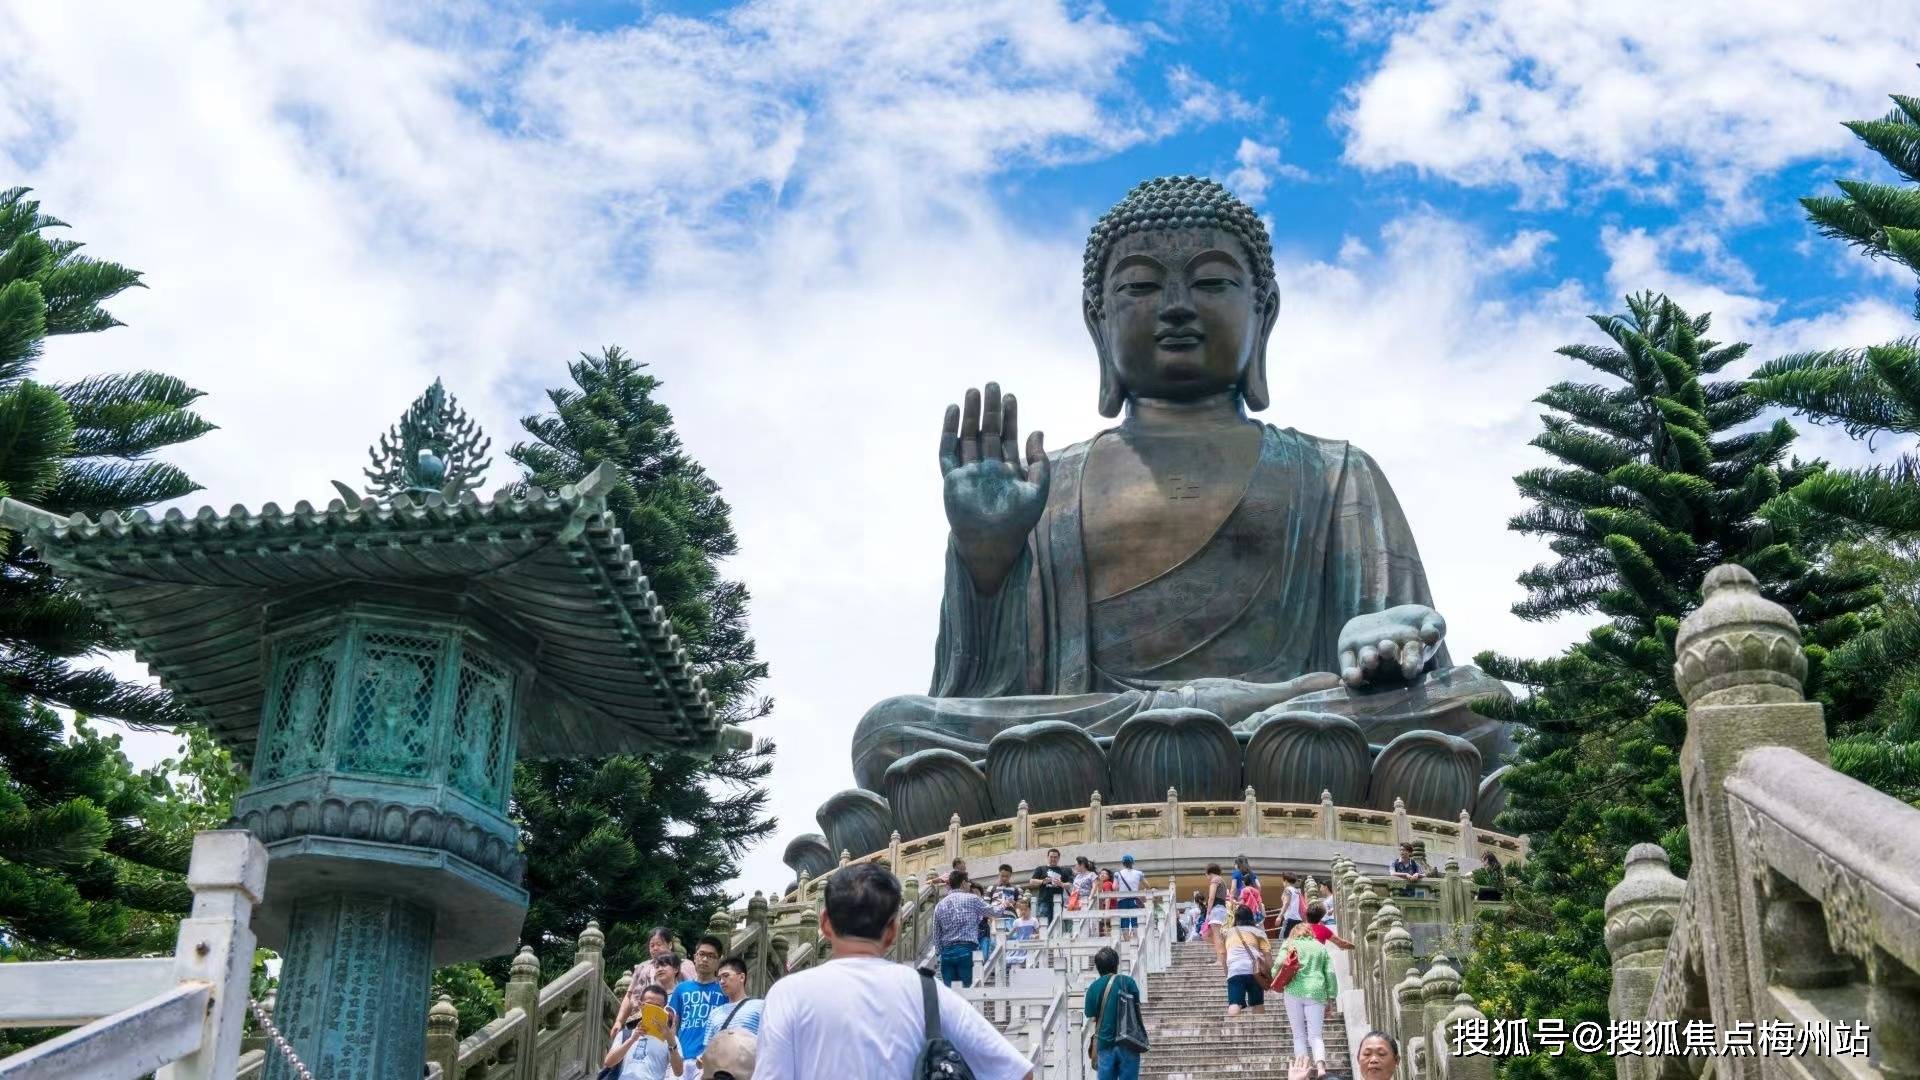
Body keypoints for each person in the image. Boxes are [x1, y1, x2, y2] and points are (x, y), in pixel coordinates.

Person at [755, 861, 1033, 1080]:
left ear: (824, 923)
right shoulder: (928, 994)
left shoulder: (787, 993)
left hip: (947, 952)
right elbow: (1018, 1071)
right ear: (893, 930)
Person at [1277, 921, 1336, 1075]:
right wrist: (1331, 997)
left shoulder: (1289, 943)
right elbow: (1330, 973)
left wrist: (1273, 977)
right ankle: (1321, 1068)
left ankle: (1303, 1070)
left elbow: (1278, 963)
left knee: (1298, 1035)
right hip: (1316, 991)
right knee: (1316, 1035)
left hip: (1293, 991)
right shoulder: (1320, 947)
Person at [666, 936, 729, 1079]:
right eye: (702, 954)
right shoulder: (681, 989)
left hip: (708, 1060)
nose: (705, 959)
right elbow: (673, 1025)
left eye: (711, 956)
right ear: (694, 957)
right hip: (680, 1059)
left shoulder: (724, 990)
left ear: (718, 961)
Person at [1083, 945, 1143, 1080]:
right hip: (1130, 1042)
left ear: (1098, 967)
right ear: (1116, 964)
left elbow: (1091, 1014)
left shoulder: (1093, 988)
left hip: (1105, 1043)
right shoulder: (1129, 982)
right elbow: (1137, 1010)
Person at [604, 984, 684, 1080]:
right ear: (640, 1005)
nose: (653, 1010)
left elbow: (678, 1072)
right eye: (649, 1005)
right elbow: (608, 1062)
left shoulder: (670, 1039)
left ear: (664, 1009)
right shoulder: (625, 1034)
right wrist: (632, 1039)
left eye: (658, 1007)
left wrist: (671, 1042)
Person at [933, 868, 994, 987]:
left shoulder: (940, 905)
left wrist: (940, 952)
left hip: (946, 953)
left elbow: (936, 933)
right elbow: (993, 911)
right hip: (966, 950)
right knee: (968, 992)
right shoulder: (972, 899)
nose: (970, 884)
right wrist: (1003, 906)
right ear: (963, 883)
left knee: (950, 994)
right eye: (968, 882)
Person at [1216, 906, 1269, 1018]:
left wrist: (1227, 974)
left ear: (1236, 918)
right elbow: (1268, 956)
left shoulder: (1227, 933)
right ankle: (1260, 1031)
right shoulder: (1259, 932)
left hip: (1235, 970)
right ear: (1251, 917)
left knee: (1235, 1004)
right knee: (1258, 1003)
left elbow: (1222, 954)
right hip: (1255, 970)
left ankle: (1233, 1031)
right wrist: (1270, 975)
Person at [703, 955, 764, 1046]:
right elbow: (709, 1050)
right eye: (719, 978)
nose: (722, 981)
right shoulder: (714, 1014)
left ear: (742, 977)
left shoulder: (760, 1006)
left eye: (726, 976)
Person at [1028, 848, 1068, 924]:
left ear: (1059, 858)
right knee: (1044, 923)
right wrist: (1043, 881)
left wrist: (1061, 884)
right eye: (1051, 857)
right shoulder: (1041, 869)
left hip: (1058, 901)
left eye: (1055, 857)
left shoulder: (1063, 871)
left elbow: (1070, 885)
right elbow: (1031, 881)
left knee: (1057, 923)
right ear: (1047, 857)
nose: (1053, 859)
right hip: (1044, 900)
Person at [1114, 854, 1146, 941]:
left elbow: (1114, 887)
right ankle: (1136, 940)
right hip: (1134, 899)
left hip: (1122, 900)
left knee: (1124, 920)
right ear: (1132, 863)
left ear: (1123, 863)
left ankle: (1127, 941)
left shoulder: (1118, 874)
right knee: (1135, 919)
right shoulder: (1139, 873)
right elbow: (1147, 885)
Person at [1006, 897, 1040, 967]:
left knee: (1029, 963)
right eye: (1021, 910)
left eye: (1025, 910)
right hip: (1019, 946)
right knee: (1016, 963)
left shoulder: (1034, 920)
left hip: (1030, 946)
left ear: (1029, 910)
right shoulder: (1017, 922)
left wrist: (1035, 936)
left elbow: (1040, 933)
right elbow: (1011, 934)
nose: (1023, 912)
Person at [1202, 863, 1229, 942]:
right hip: (1222, 909)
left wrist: (1208, 912)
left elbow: (1211, 897)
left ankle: (1220, 953)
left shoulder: (1215, 880)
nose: (1207, 877)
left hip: (1216, 910)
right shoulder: (1222, 880)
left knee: (1215, 937)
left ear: (1208, 873)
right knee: (1209, 935)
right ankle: (1220, 952)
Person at [1278, 873, 1305, 940]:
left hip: (1289, 918)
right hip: (1298, 919)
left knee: (1283, 939)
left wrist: (1279, 916)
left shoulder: (1288, 890)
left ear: (1286, 881)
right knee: (1295, 940)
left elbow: (1286, 903)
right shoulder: (1297, 891)